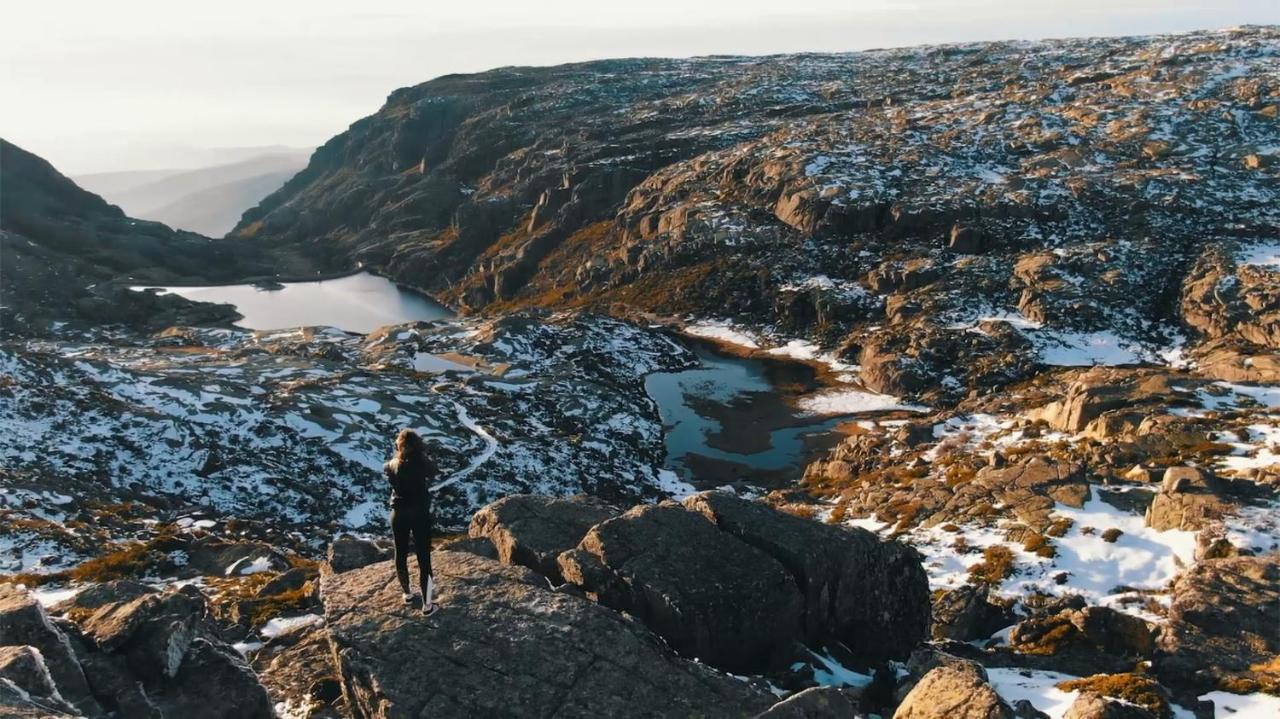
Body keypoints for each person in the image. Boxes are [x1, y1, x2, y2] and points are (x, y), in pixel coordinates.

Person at [384, 428, 439, 616]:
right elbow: (434, 471)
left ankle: (407, 593)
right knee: (424, 558)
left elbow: (393, 480)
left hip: (398, 513)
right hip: (419, 513)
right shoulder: (422, 462)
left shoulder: (390, 465)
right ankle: (428, 604)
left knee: (400, 553)